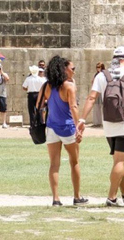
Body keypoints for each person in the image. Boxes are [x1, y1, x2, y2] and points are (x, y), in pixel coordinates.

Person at [79, 46, 124, 207]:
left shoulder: (102, 76)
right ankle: (111, 198)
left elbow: (91, 98)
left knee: (118, 161)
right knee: (120, 162)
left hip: (109, 125)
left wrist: (82, 120)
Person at [37, 55, 88, 207]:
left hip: (52, 127)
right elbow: (73, 107)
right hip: (67, 128)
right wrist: (78, 127)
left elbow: (39, 105)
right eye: (72, 69)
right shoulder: (68, 86)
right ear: (64, 69)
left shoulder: (47, 86)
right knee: (74, 161)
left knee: (54, 164)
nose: (74, 71)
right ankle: (77, 196)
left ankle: (56, 199)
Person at [90, 62, 106, 127]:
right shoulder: (96, 74)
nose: (97, 68)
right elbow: (93, 82)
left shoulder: (104, 74)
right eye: (97, 67)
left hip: (103, 92)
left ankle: (103, 122)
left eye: (99, 67)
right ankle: (97, 122)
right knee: (96, 107)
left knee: (104, 107)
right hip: (97, 92)